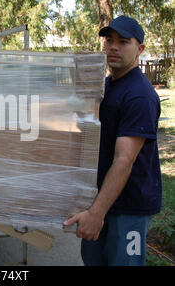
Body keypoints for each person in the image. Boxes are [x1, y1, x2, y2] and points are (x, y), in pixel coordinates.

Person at [63, 16, 162, 266]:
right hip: (101, 200)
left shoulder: (139, 95)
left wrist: (97, 213)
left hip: (129, 208)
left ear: (139, 49)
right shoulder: (107, 86)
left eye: (123, 42)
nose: (113, 47)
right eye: (109, 41)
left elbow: (124, 159)